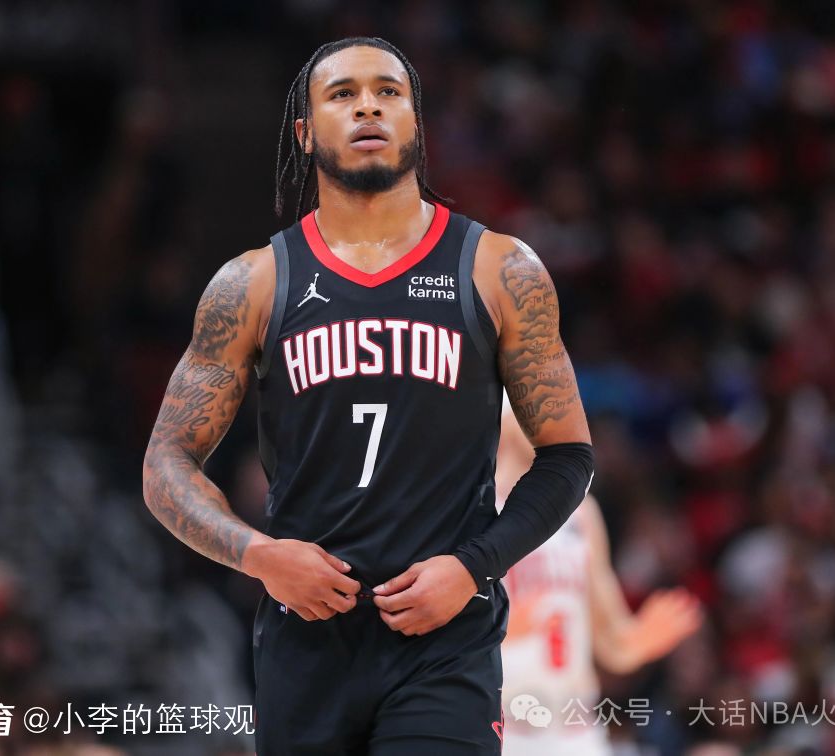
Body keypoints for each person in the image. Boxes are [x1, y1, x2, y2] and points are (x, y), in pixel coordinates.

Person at [142, 36, 595, 755]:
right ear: (304, 132)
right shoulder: (253, 284)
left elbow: (568, 456)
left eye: (388, 92)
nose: (368, 108)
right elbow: (166, 464)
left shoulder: (500, 270)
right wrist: (259, 556)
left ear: (417, 122)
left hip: (445, 642)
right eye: (343, 94)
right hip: (306, 645)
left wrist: (474, 565)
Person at [495, 391, 703, 755]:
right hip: (502, 721)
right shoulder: (475, 509)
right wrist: (497, 628)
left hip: (574, 724)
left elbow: (611, 640)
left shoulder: (581, 512)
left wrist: (639, 641)